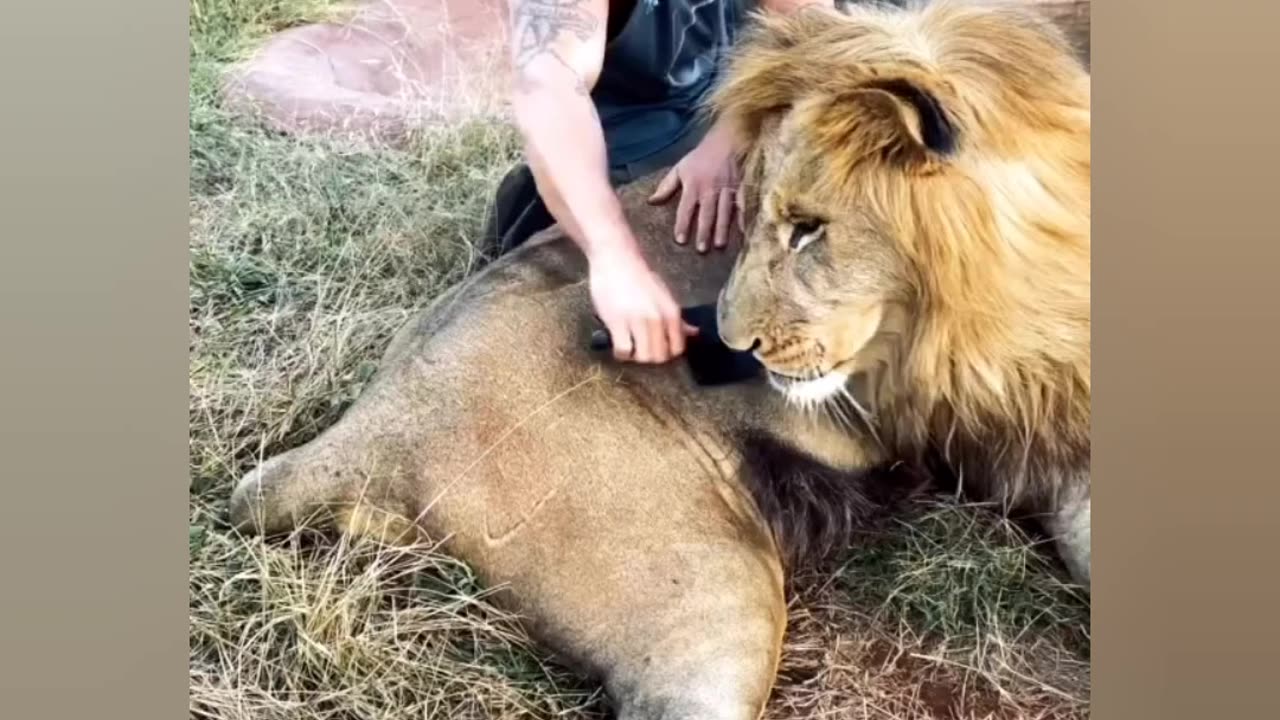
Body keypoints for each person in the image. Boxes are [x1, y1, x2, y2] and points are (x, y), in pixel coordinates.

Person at [484, 0, 834, 365]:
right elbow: (549, 83)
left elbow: (801, 18)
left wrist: (727, 139)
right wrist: (614, 259)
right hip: (621, 143)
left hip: (730, 96)